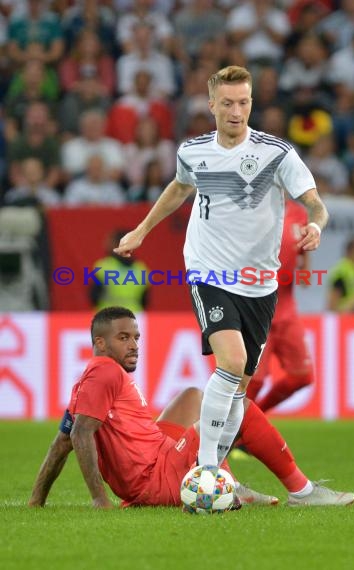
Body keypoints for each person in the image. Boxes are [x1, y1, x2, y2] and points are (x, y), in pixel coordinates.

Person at [113, 65, 329, 469]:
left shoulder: (276, 153)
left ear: (251, 103)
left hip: (259, 283)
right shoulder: (193, 151)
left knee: (239, 389)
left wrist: (315, 224)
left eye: (244, 102)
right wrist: (142, 230)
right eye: (227, 103)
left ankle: (219, 472)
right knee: (230, 363)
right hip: (209, 271)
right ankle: (207, 468)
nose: (236, 111)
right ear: (211, 104)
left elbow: (315, 202)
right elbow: (179, 187)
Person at [28, 307, 354, 509]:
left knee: (192, 396)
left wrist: (36, 500)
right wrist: (100, 499)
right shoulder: (105, 371)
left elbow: (62, 442)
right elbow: (81, 435)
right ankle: (302, 490)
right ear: (100, 343)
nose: (134, 345)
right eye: (123, 338)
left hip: (157, 459)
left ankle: (223, 478)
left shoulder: (88, 381)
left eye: (136, 337)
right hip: (156, 478)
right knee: (235, 407)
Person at [246, 198, 314, 412]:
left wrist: (305, 270)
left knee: (302, 376)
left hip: (286, 310)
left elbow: (303, 252)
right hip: (257, 309)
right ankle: (226, 435)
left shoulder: (299, 213)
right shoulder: (249, 210)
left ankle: (253, 421)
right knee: (253, 382)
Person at [89, 230, 149, 312]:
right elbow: (145, 300)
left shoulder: (103, 266)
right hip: (135, 316)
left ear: (118, 243)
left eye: (110, 241)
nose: (105, 244)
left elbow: (93, 296)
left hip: (107, 316)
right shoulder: (141, 268)